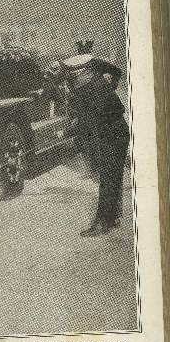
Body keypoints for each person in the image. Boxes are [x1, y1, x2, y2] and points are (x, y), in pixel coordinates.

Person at [63, 54, 129, 237]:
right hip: (119, 129)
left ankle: (102, 223)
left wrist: (68, 133)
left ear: (79, 73)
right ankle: (114, 217)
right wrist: (113, 85)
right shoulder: (97, 73)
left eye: (72, 77)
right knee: (114, 176)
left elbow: (85, 122)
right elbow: (117, 71)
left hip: (112, 134)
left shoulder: (88, 91)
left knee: (107, 178)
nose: (71, 82)